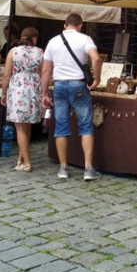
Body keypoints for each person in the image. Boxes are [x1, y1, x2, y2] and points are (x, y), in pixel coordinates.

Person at [41, 13, 102, 181]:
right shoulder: (85, 39)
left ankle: (63, 168)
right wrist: (97, 79)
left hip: (59, 85)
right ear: (80, 26)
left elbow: (46, 70)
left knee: (61, 127)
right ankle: (88, 168)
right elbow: (96, 58)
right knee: (86, 127)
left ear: (64, 25)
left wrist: (44, 93)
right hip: (78, 85)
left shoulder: (53, 41)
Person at [0, 27, 43, 172]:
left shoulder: (13, 52)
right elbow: (45, 73)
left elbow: (6, 74)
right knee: (27, 126)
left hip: (18, 89)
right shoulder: (40, 52)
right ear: (34, 38)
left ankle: (27, 163)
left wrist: (3, 93)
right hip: (33, 89)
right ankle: (21, 159)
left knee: (20, 128)